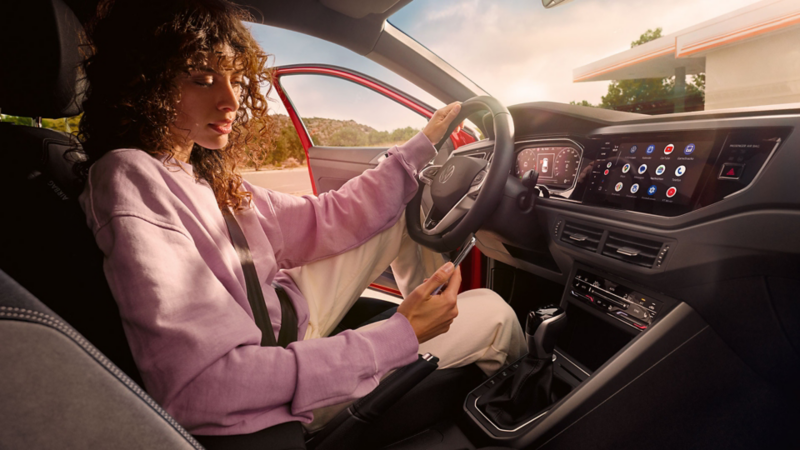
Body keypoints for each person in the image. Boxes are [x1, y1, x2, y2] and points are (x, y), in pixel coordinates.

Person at [75, 0, 526, 440]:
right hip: (268, 382)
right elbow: (204, 387)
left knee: (401, 208)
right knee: (496, 312)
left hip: (283, 321)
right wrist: (398, 335)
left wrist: (420, 147)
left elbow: (327, 217)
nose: (230, 100)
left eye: (234, 80)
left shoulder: (202, 177)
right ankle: (516, 399)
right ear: (143, 83)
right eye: (202, 79)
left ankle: (432, 330)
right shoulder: (130, 176)